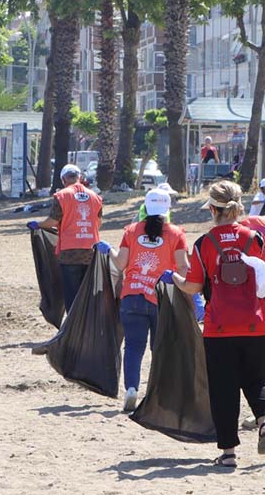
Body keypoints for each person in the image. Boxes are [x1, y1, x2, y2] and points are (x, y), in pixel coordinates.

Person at [163, 181, 265, 467]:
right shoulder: (255, 238)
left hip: (219, 328)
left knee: (223, 387)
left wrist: (174, 278)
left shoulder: (204, 244)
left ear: (211, 209)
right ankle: (264, 421)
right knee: (256, 377)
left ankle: (229, 453)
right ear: (238, 207)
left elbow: (194, 287)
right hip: (259, 325)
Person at [105, 188, 188, 412]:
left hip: (132, 296)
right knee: (159, 348)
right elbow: (183, 267)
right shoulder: (176, 234)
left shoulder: (131, 231)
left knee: (133, 347)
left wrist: (108, 250)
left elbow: (120, 264)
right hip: (160, 298)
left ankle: (131, 389)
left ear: (145, 207)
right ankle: (158, 393)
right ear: (167, 209)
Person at [27, 163, 103, 319]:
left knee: (72, 294)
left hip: (70, 253)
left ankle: (72, 330)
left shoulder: (62, 196)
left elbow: (53, 221)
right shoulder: (95, 197)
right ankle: (86, 328)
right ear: (80, 177)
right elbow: (98, 223)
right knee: (86, 294)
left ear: (63, 180)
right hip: (91, 251)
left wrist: (38, 225)